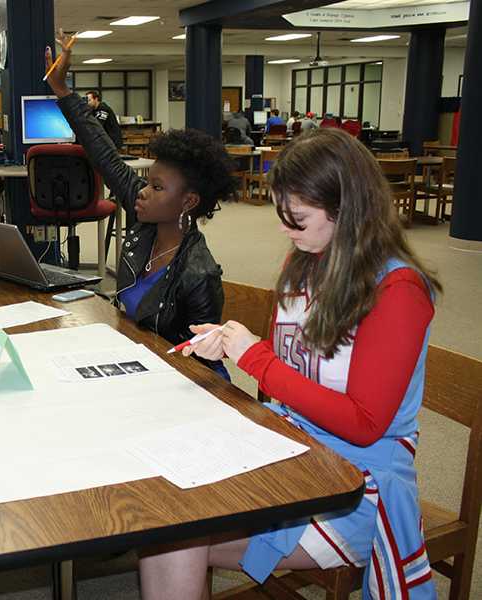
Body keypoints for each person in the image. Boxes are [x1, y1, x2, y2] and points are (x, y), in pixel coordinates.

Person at [139, 128, 440, 600]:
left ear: (346, 211)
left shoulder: (397, 292)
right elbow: (299, 368)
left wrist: (255, 357)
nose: (284, 229)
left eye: (295, 218)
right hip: (298, 448)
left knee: (176, 533)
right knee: (168, 510)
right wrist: (234, 345)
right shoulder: (305, 260)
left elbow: (363, 424)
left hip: (358, 486)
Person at [46, 32, 236, 379]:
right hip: (131, 361)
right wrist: (63, 91)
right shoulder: (144, 218)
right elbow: (104, 153)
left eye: (157, 187)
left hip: (176, 381)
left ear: (188, 202)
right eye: (147, 182)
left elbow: (206, 366)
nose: (144, 192)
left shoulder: (199, 273)